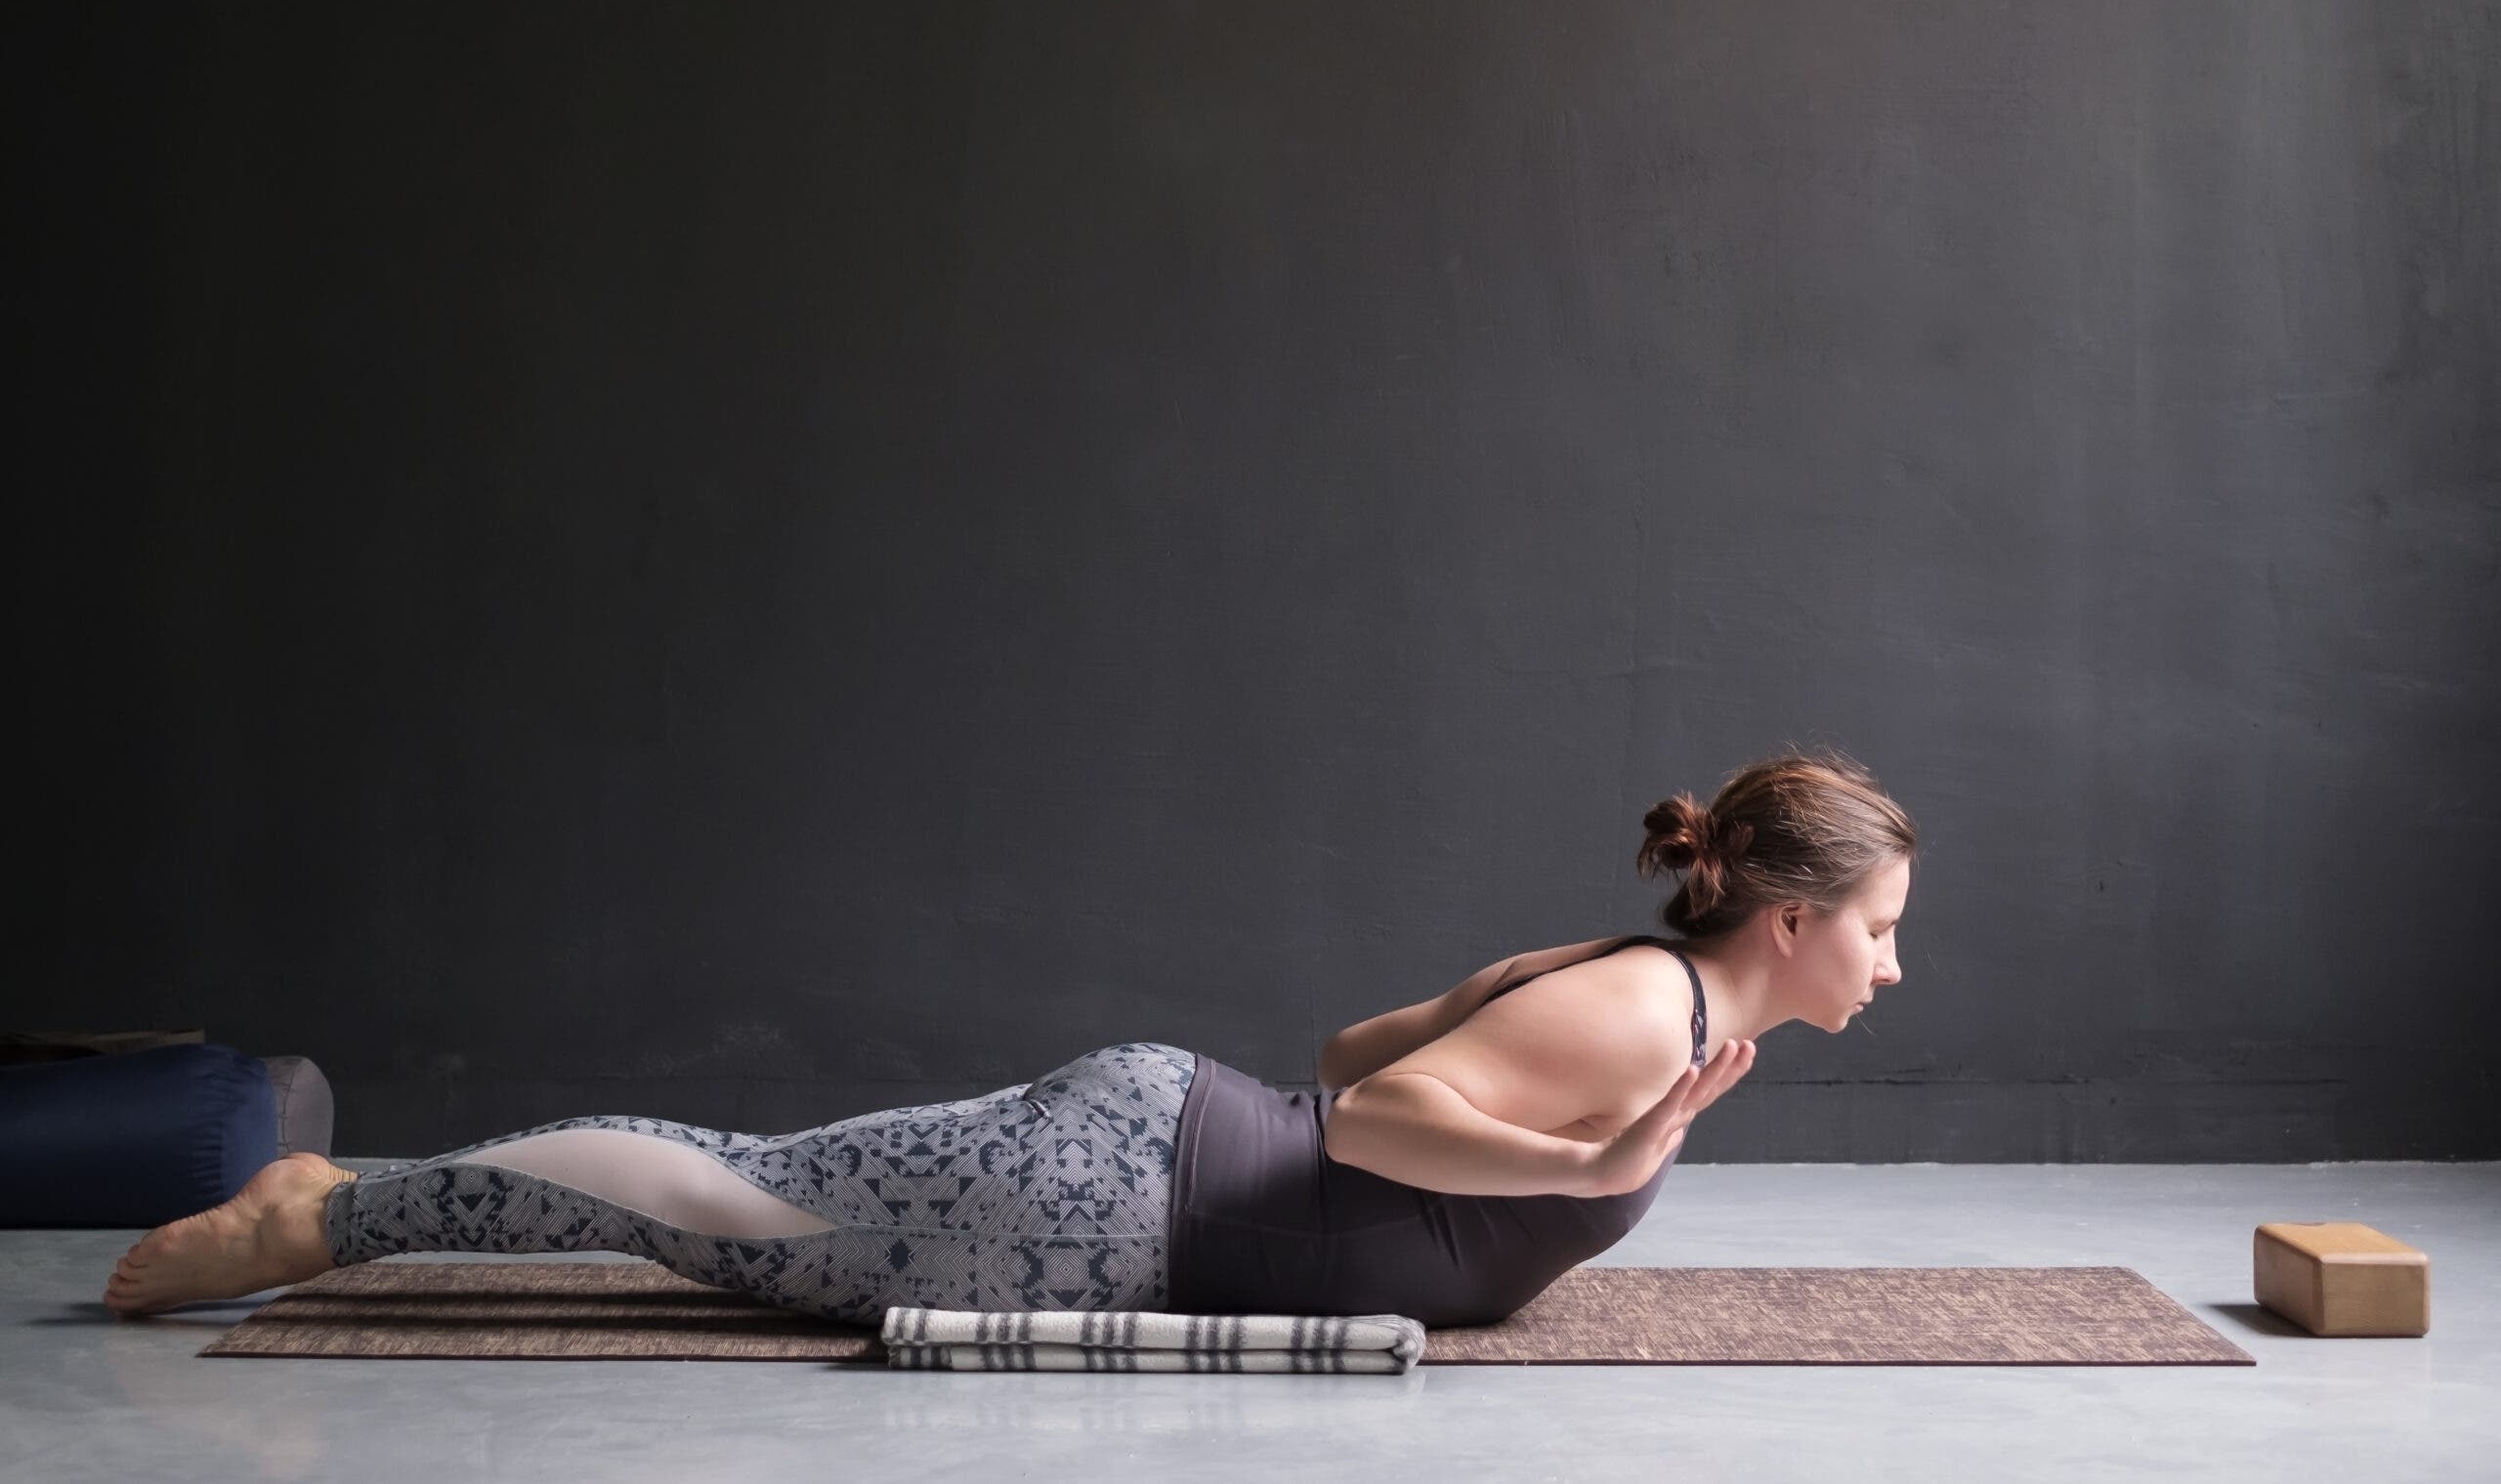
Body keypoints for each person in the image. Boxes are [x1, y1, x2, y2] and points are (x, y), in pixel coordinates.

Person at [105, 745, 1915, 1324]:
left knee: (727, 1208)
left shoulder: (1629, 982)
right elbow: (1370, 1126)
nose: (1892, 969)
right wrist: (1590, 1157)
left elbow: (1359, 1052)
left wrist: (1495, 1053)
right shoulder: (1635, 1012)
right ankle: (328, 1212)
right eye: (1884, 930)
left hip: (1149, 1155)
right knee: (714, 1209)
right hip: (1116, 1203)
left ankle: (346, 1207)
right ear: (1791, 918)